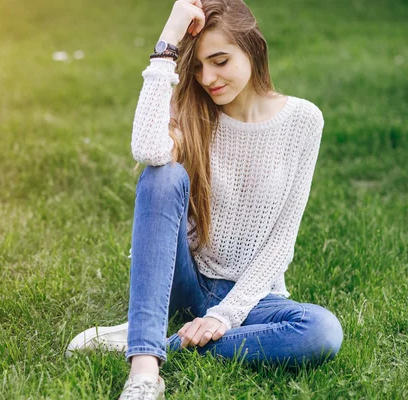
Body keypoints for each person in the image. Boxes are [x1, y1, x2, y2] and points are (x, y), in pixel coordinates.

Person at [66, 0, 343, 398]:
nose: (207, 78)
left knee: (322, 331)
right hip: (187, 282)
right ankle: (144, 370)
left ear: (253, 49)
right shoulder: (196, 114)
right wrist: (167, 43)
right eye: (197, 67)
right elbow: (147, 151)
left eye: (220, 60)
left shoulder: (303, 121)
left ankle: (154, 340)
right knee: (162, 175)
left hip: (254, 298)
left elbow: (282, 241)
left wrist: (224, 317)